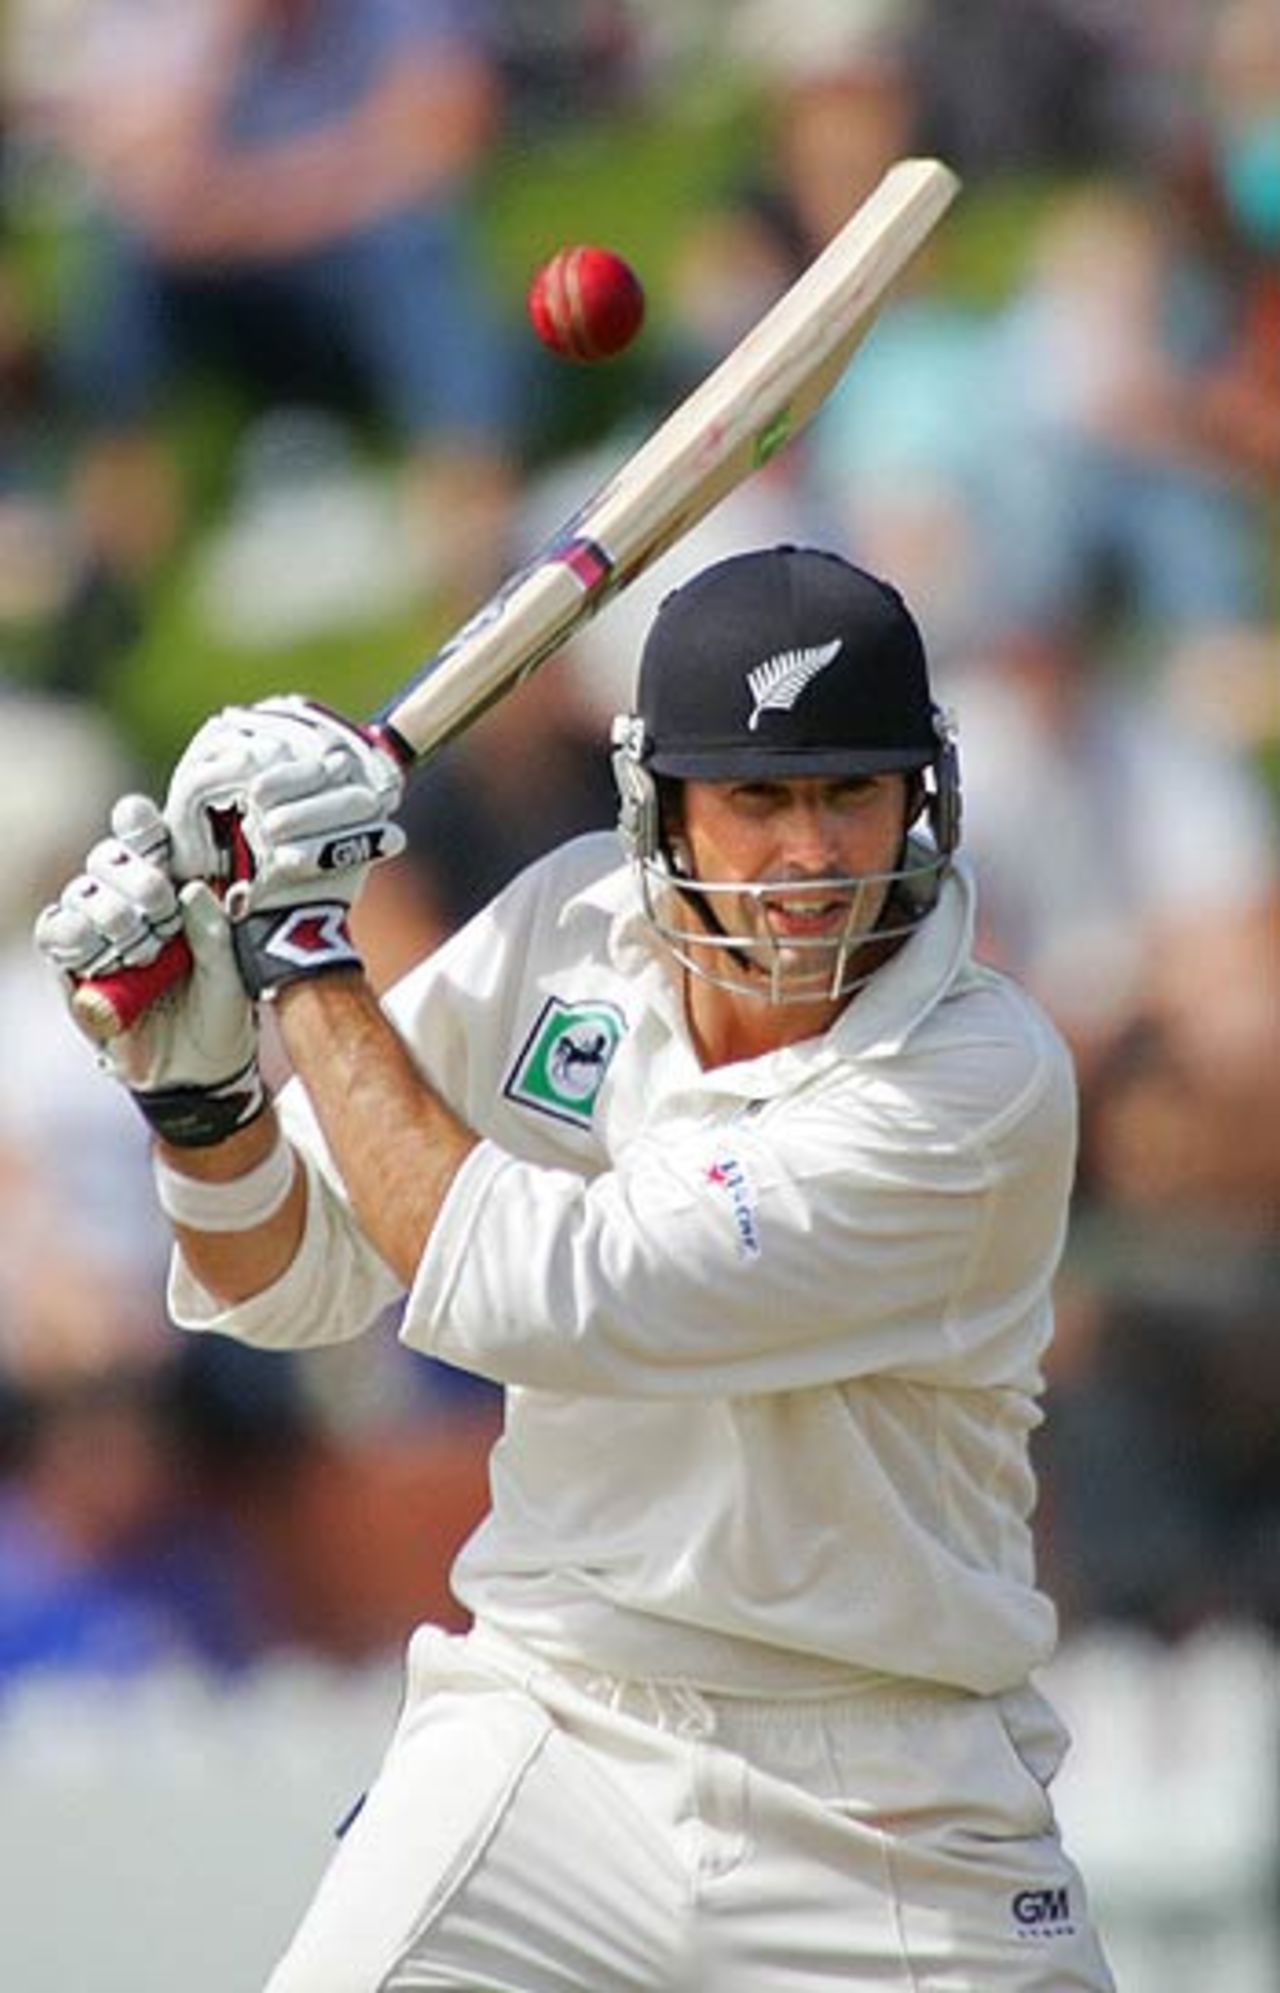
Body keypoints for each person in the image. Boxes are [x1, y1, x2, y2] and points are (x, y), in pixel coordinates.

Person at [35, 546, 1116, 1991]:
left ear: (922, 794)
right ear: (657, 803)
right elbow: (287, 1275)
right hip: (556, 1720)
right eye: (757, 799)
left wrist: (301, 951)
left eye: (850, 791)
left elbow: (546, 1293)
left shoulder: (980, 1080)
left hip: (888, 1789)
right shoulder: (572, 924)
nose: (811, 857)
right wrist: (204, 1103)